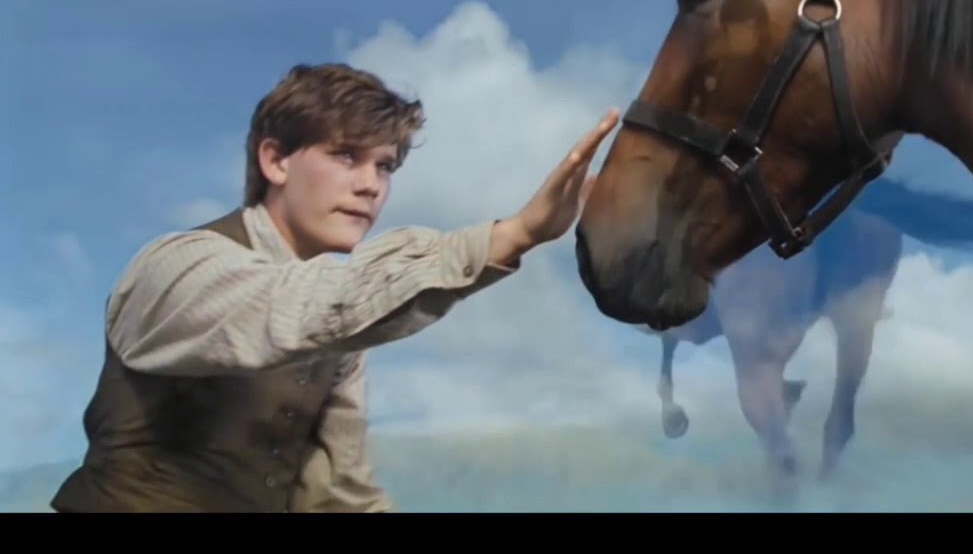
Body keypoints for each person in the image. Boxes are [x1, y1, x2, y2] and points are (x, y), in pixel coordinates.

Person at [49, 62, 619, 513]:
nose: (371, 185)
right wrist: (511, 235)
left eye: (385, 166)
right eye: (346, 155)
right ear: (275, 160)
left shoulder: (346, 324)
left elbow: (338, 494)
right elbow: (295, 306)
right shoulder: (175, 269)